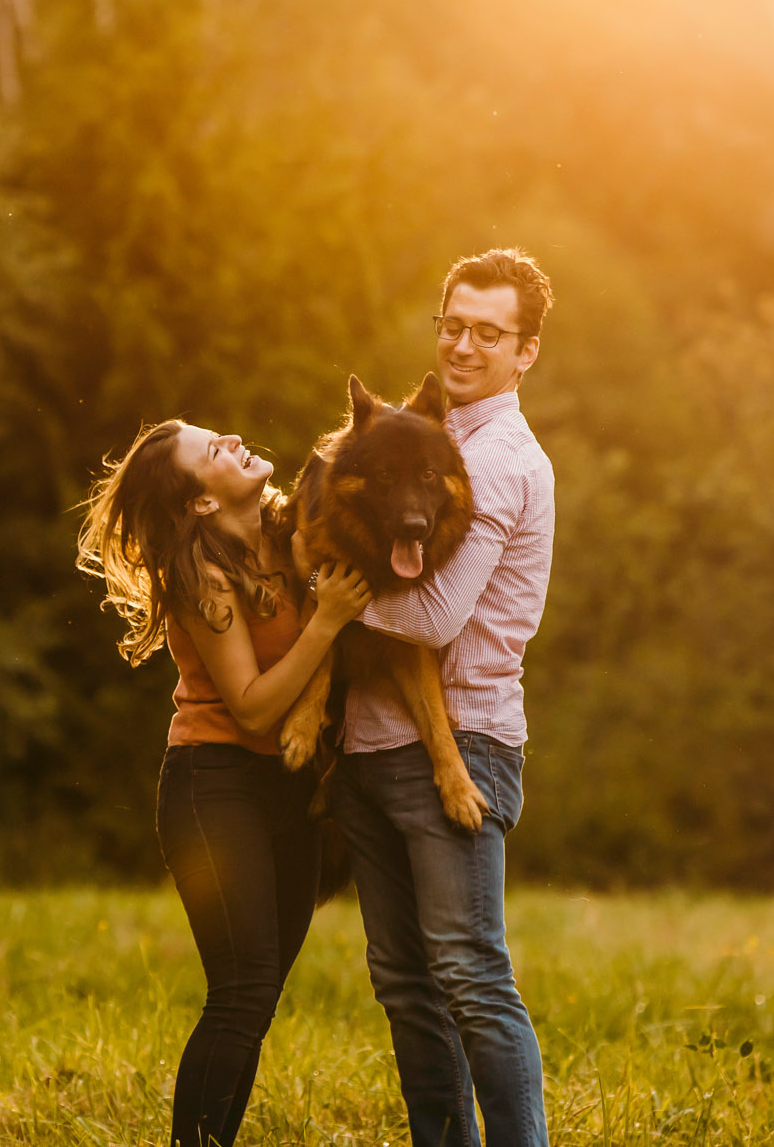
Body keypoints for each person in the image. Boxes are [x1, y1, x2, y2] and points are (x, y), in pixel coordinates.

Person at [77, 420, 372, 1147]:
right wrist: (327, 621)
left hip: (290, 790)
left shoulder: (288, 533)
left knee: (258, 999)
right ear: (203, 503)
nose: (234, 437)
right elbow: (253, 703)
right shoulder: (201, 574)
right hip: (215, 789)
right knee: (239, 992)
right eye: (214, 451)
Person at [331, 248, 557, 1147]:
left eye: (489, 332)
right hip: (373, 746)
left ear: (525, 350)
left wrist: (324, 578)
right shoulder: (426, 433)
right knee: (406, 985)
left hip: (462, 745)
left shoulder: (500, 459)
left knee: (469, 975)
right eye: (453, 325)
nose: (465, 346)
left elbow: (430, 615)